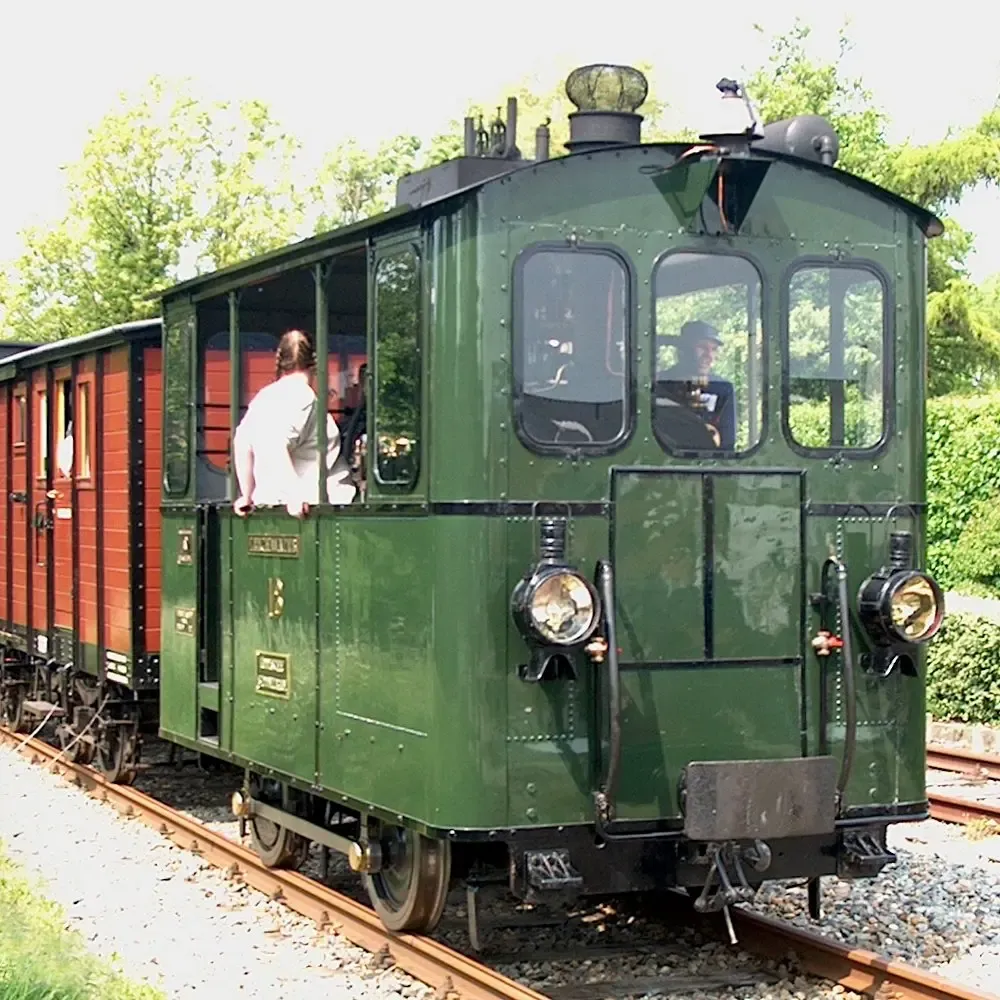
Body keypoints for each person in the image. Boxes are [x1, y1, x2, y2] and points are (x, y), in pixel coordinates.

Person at [233, 330, 355, 518]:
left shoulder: (264, 397)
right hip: (316, 507)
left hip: (271, 502)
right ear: (315, 362)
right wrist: (295, 495)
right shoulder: (303, 396)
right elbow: (275, 445)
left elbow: (242, 443)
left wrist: (247, 495)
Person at [654, 320, 736, 450]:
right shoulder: (661, 384)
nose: (709, 356)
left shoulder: (722, 388)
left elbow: (727, 444)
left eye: (714, 349)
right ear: (683, 350)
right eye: (702, 347)